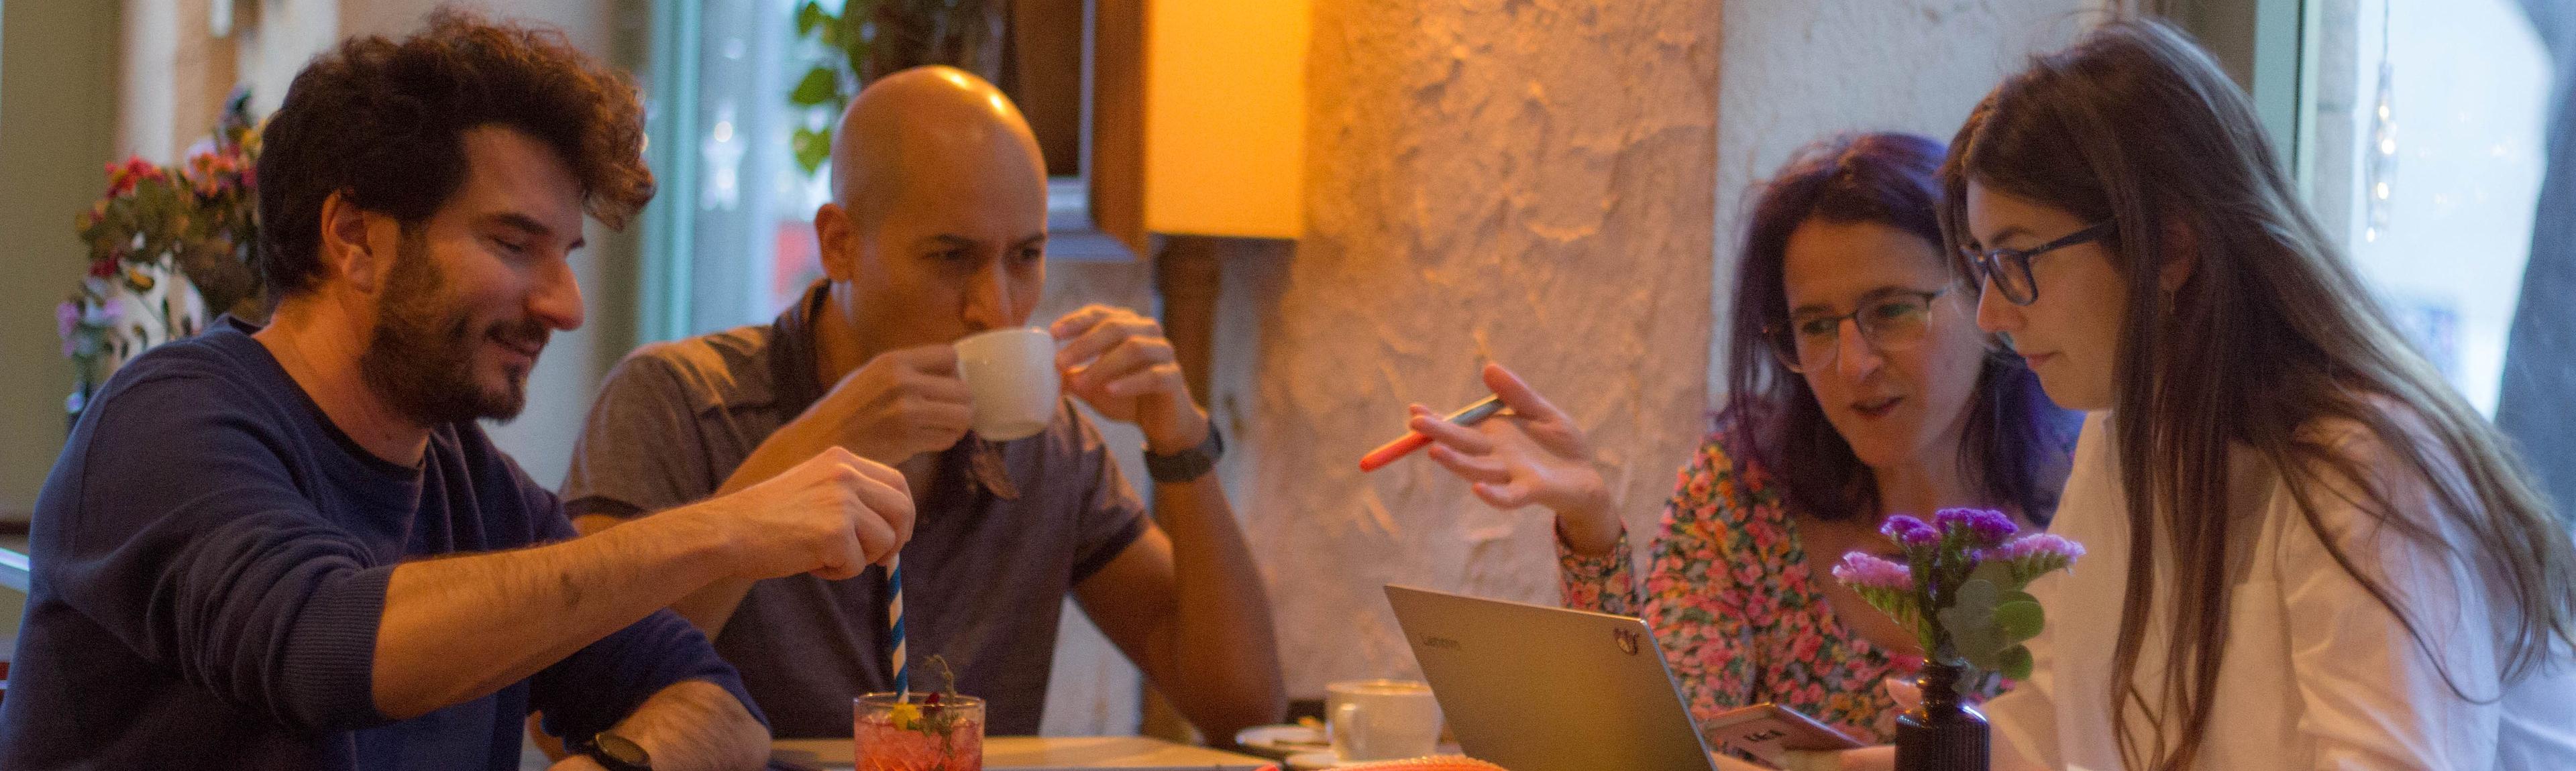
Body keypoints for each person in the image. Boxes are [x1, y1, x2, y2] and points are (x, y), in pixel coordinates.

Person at [0, 13, 920, 771]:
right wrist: (730, 527)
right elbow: (329, 648)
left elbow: (719, 706)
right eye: (514, 245)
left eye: (565, 257)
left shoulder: (474, 486)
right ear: (354, 238)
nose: (563, 305)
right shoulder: (171, 421)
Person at [1801, 19, 2576, 770]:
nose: (1992, 316)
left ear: (2170, 245)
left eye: (2017, 262)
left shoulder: (2360, 464)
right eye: (1984, 267)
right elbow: (2057, 729)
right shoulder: (2124, 429)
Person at [559, 66, 1284, 740]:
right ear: (840, 245)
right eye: (951, 257)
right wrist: (806, 453)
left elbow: (1243, 708)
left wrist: (1181, 439)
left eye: (1025, 257)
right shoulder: (675, 402)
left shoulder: (1044, 446)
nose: (995, 307)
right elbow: (571, 711)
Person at [1408, 133, 2077, 743]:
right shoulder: (1744, 491)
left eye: (1892, 310)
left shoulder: (2086, 500)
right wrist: (1592, 528)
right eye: (1815, 326)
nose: (1853, 363)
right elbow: (1657, 743)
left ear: (1985, 298)